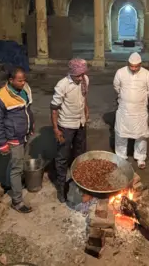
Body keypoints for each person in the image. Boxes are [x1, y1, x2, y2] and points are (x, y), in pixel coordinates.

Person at [0, 66, 34, 213]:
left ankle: (10, 184)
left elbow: (27, 110)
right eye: (20, 80)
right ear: (10, 80)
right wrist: (2, 143)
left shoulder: (25, 89)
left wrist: (30, 126)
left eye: (24, 79)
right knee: (17, 168)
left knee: (17, 162)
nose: (23, 82)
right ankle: (17, 201)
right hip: (13, 138)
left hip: (24, 134)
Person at [51, 58, 90, 203]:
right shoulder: (62, 85)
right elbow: (54, 108)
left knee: (80, 154)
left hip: (80, 123)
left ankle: (77, 183)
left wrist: (86, 108)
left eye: (82, 74)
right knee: (62, 157)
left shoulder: (85, 79)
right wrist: (56, 129)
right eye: (77, 76)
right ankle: (61, 188)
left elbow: (84, 96)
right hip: (66, 125)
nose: (81, 78)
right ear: (71, 73)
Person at [113, 52, 149, 169]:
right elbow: (116, 87)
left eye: (136, 66)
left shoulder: (147, 74)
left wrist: (140, 97)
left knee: (141, 135)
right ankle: (121, 156)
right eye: (131, 66)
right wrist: (126, 96)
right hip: (124, 110)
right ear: (128, 63)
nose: (134, 68)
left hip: (140, 111)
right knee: (121, 133)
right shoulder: (120, 72)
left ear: (141, 64)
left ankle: (140, 157)